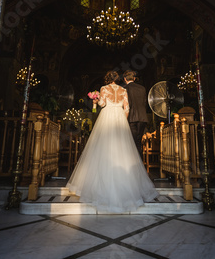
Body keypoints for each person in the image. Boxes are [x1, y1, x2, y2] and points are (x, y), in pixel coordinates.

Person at [67, 71, 158, 213]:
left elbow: (103, 103)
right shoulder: (123, 90)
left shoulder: (103, 89)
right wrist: (122, 119)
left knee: (102, 147)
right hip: (120, 117)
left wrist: (95, 102)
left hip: (107, 116)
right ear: (118, 79)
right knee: (123, 150)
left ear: (108, 79)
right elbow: (126, 108)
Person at [123, 70, 148, 158]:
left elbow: (125, 104)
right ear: (134, 78)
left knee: (132, 143)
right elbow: (144, 103)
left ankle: (134, 165)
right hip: (142, 118)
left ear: (125, 79)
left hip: (131, 118)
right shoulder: (142, 88)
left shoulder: (125, 89)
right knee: (138, 142)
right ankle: (139, 165)